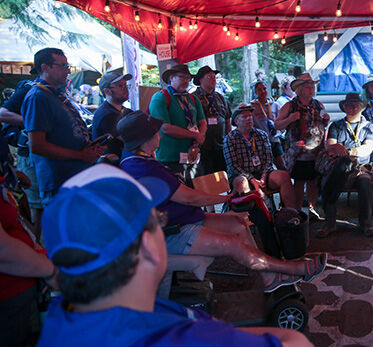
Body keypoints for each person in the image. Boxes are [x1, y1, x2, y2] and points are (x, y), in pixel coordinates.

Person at [37, 164, 311, 346]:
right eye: (158, 218)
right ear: (147, 246)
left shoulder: (60, 318)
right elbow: (294, 342)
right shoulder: (175, 338)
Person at [118, 111, 325, 292]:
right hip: (171, 231)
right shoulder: (143, 168)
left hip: (179, 220)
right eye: (155, 131)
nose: (159, 134)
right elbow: (190, 198)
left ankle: (269, 278)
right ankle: (292, 268)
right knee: (233, 243)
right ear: (145, 138)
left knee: (238, 223)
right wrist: (226, 198)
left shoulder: (139, 160)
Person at [21, 48, 104, 222]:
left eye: (68, 65)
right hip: (59, 180)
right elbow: (37, 145)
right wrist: (80, 154)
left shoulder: (55, 94)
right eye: (63, 65)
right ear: (45, 67)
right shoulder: (38, 97)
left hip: (75, 175)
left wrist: (88, 147)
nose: (68, 70)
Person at [0, 135, 57, 347]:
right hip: (9, 293)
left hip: (21, 290)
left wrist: (10, 175)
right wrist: (49, 269)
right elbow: (3, 251)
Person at [316, 93, 373, 238]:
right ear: (344, 107)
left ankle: (366, 223)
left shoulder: (370, 128)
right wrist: (344, 151)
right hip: (339, 167)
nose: (353, 107)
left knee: (365, 183)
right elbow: (331, 147)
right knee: (329, 181)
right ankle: (329, 224)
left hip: (361, 166)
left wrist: (346, 150)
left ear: (362, 107)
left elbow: (367, 149)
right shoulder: (336, 126)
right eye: (349, 104)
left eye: (357, 104)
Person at [275, 73, 330, 219]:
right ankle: (298, 211)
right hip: (298, 152)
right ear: (299, 89)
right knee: (299, 183)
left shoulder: (318, 104)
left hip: (316, 151)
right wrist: (290, 119)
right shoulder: (290, 106)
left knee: (313, 181)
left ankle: (311, 209)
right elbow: (277, 125)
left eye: (312, 86)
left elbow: (323, 123)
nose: (311, 88)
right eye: (308, 86)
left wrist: (326, 120)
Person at [224, 104, 298, 210]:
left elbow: (268, 159)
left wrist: (263, 176)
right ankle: (252, 217)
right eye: (244, 117)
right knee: (241, 182)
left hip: (263, 173)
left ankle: (291, 214)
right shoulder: (230, 138)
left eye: (250, 116)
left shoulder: (262, 135)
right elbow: (233, 166)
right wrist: (252, 179)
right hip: (241, 175)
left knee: (284, 176)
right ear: (236, 121)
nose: (249, 119)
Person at [149, 64, 207, 185]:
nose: (186, 81)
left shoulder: (192, 98)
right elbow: (166, 128)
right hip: (169, 159)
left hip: (193, 156)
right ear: (171, 78)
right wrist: (195, 136)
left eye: (188, 78)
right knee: (175, 196)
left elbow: (202, 122)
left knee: (196, 193)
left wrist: (196, 143)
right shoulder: (161, 98)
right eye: (182, 77)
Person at [0, 72, 42, 234]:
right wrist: (35, 125)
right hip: (30, 157)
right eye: (62, 66)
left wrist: (13, 170)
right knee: (34, 206)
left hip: (14, 169)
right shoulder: (30, 89)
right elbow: (3, 114)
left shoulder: (51, 92)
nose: (66, 71)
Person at [192, 66, 231, 176]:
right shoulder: (192, 99)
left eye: (214, 77)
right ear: (200, 80)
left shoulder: (221, 98)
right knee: (207, 179)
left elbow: (227, 119)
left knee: (223, 177)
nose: (213, 79)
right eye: (209, 77)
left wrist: (227, 140)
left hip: (221, 146)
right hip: (203, 147)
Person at [92, 71, 132, 157]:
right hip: (112, 167)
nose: (125, 88)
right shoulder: (106, 115)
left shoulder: (125, 111)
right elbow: (132, 140)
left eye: (126, 85)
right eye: (120, 86)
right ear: (107, 91)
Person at [252, 81, 285, 170]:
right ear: (255, 92)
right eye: (259, 90)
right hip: (260, 143)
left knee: (282, 166)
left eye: (264, 89)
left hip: (274, 140)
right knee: (263, 168)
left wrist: (279, 132)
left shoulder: (275, 105)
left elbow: (282, 121)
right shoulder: (252, 107)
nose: (262, 91)